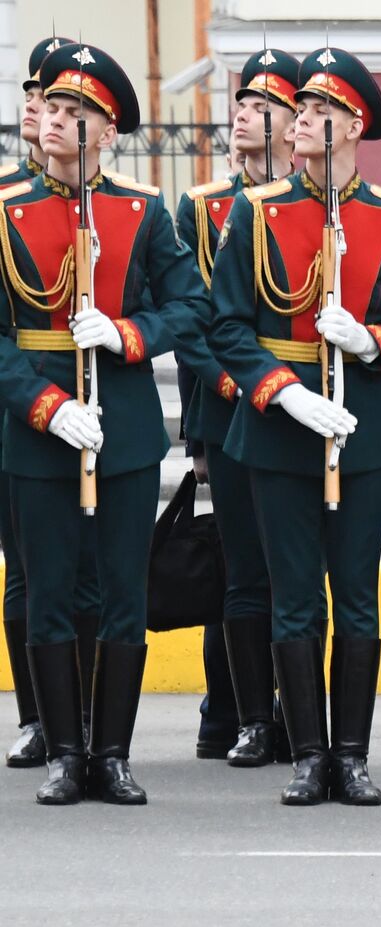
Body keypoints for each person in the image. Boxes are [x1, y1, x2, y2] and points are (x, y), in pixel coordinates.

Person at [209, 47, 381, 806]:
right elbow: (228, 325)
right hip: (280, 430)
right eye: (300, 111)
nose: (298, 123)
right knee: (294, 598)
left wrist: (370, 343)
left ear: (348, 127)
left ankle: (352, 752)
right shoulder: (257, 210)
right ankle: (309, 753)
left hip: (360, 428)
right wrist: (280, 391)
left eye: (314, 114)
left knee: (357, 595)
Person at [0, 43, 207, 804]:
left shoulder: (140, 209)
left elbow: (189, 305)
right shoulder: (5, 209)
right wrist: (46, 406)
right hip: (39, 428)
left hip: (119, 424)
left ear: (107, 131)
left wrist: (124, 334)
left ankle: (111, 753)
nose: (57, 122)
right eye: (51, 109)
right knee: (51, 589)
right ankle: (63, 752)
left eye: (75, 113)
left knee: (121, 591)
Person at [174, 47, 302, 766]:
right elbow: (196, 320)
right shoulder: (205, 207)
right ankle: (239, 716)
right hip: (231, 411)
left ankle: (297, 713)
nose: (243, 117)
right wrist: (242, 387)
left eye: (261, 107)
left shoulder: (312, 205)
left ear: (291, 124)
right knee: (243, 568)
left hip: (307, 412)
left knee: (298, 571)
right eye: (240, 105)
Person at [1, 32, 102, 771]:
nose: (43, 113)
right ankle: (39, 714)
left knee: (82, 568)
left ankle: (89, 720)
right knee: (27, 572)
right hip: (19, 409)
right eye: (37, 100)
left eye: (57, 101)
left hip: (82, 406)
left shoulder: (88, 200)